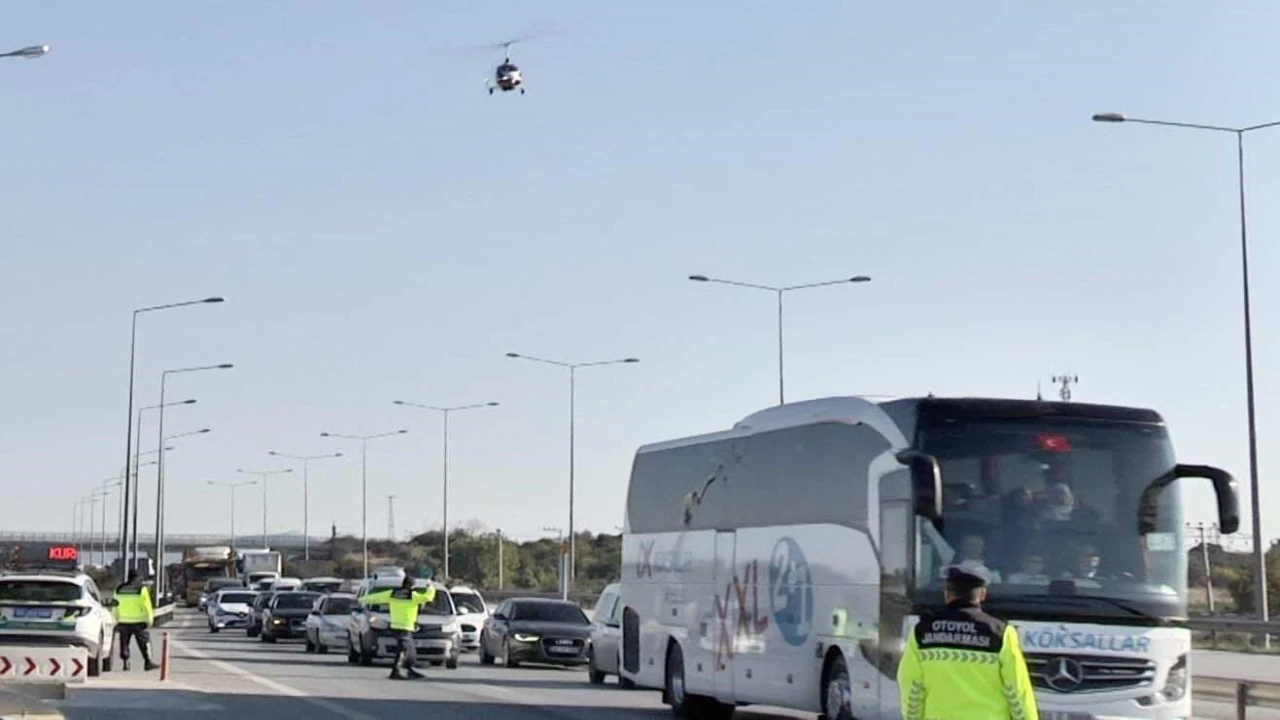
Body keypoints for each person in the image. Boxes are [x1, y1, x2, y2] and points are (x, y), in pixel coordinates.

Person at [897, 567, 1038, 719]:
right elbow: (1017, 688)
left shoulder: (922, 631)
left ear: (947, 594)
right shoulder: (1000, 632)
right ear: (982, 594)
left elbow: (912, 685)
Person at [361, 572, 436, 680]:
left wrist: (362, 599)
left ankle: (410, 669)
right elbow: (428, 597)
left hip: (396, 625)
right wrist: (430, 586)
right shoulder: (412, 596)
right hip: (406, 626)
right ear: (412, 585)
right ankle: (396, 670)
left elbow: (376, 597)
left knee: (409, 649)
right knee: (404, 649)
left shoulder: (393, 593)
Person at [113, 570, 158, 671]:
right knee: (144, 643)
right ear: (137, 578)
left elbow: (115, 605)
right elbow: (147, 605)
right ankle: (148, 662)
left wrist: (115, 618)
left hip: (123, 621)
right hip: (139, 622)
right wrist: (150, 619)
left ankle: (126, 662)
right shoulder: (141, 589)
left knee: (124, 643)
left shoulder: (119, 589)